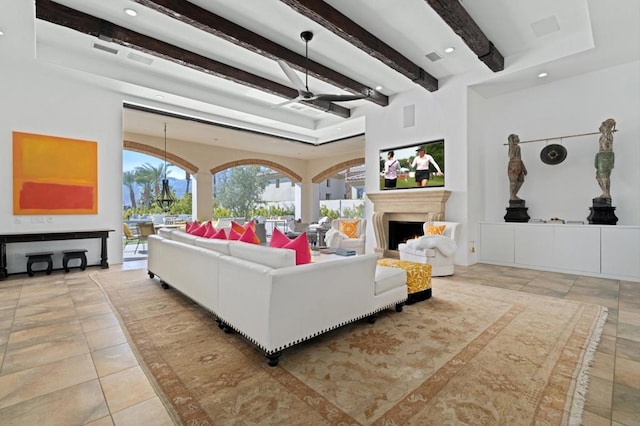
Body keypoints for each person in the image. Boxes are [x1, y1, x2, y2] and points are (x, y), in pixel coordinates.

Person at [595, 118, 616, 199]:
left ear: (606, 127)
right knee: (598, 176)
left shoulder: (608, 136)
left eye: (602, 126)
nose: (600, 127)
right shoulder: (604, 135)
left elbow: (605, 147)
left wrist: (606, 134)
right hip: (601, 156)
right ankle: (605, 192)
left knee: (604, 176)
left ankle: (606, 194)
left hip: (605, 157)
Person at [507, 134, 527, 201]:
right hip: (513, 166)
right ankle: (512, 196)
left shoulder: (518, 147)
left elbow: (519, 158)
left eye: (518, 137)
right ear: (512, 140)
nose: (518, 139)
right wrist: (511, 146)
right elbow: (511, 156)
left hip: (519, 165)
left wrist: (524, 168)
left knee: (521, 180)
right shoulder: (513, 147)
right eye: (516, 138)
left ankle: (514, 195)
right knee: (513, 182)